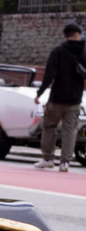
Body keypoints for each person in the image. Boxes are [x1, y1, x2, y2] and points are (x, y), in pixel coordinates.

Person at [33, 21, 86, 171]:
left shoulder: (58, 51)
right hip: (75, 98)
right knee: (70, 129)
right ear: (77, 35)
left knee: (49, 126)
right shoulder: (84, 52)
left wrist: (40, 93)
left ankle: (48, 158)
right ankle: (65, 162)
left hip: (57, 98)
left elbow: (49, 75)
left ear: (65, 35)